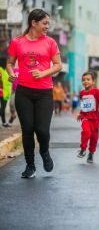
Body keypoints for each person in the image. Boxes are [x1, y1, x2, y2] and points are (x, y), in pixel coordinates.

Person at [6, 9, 62, 178]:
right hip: (24, 92)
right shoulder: (17, 42)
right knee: (28, 129)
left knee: (42, 130)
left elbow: (58, 65)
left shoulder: (50, 42)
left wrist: (43, 73)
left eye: (48, 24)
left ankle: (44, 152)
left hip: (44, 93)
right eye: (44, 23)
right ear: (34, 23)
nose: (47, 26)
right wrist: (11, 73)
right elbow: (10, 62)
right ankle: (30, 165)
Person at [77, 72, 99, 163]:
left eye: (88, 79)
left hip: (95, 119)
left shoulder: (96, 91)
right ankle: (83, 149)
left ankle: (91, 153)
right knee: (86, 132)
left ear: (93, 81)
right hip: (85, 117)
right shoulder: (81, 93)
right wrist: (80, 113)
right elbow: (83, 105)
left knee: (94, 138)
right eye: (83, 80)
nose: (85, 81)